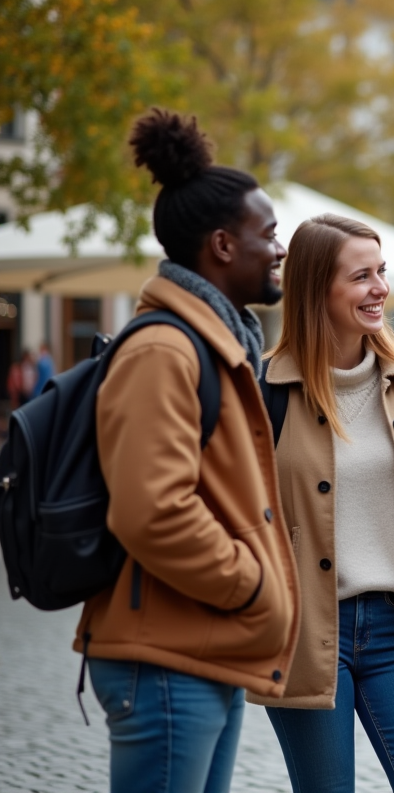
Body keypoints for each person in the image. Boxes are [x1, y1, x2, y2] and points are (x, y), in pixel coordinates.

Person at [76, 108, 299, 793]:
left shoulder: (212, 342)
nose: (281, 248)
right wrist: (253, 584)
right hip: (165, 657)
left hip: (199, 646)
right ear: (224, 246)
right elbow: (152, 511)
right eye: (270, 234)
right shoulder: (164, 350)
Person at [255, 214, 394, 793]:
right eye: (361, 276)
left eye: (382, 272)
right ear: (315, 289)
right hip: (305, 632)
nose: (380, 288)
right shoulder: (263, 393)